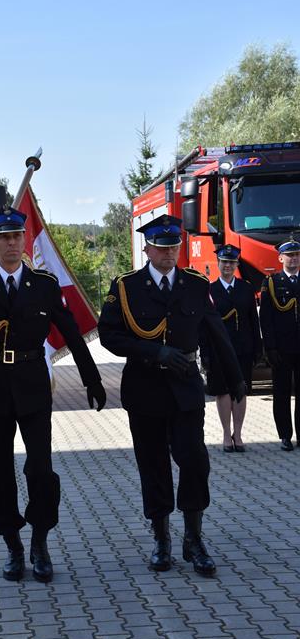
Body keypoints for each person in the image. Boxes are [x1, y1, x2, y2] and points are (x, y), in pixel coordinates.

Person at [0, 207, 106, 583]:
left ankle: (40, 541)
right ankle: (13, 545)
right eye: (4, 238)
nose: (12, 244)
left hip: (32, 382)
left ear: (24, 240)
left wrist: (91, 378)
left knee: (41, 469)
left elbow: (69, 330)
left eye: (16, 236)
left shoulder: (43, 284)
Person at [98, 215, 245, 577]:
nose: (168, 253)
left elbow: (216, 333)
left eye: (173, 246)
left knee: (194, 461)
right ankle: (161, 539)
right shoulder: (127, 286)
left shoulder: (195, 284)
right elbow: (109, 335)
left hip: (185, 388)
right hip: (145, 387)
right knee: (153, 466)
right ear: (147, 249)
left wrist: (235, 378)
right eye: (161, 247)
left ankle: (193, 539)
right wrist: (154, 351)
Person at [201, 245, 262, 452]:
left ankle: (239, 433)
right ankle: (227, 434)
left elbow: (253, 321)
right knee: (223, 391)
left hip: (243, 348)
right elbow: (204, 325)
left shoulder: (246, 288)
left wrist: (258, 348)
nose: (227, 266)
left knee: (241, 390)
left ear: (236, 264)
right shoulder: (209, 290)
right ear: (218, 263)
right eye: (224, 262)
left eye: (231, 262)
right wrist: (205, 352)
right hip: (218, 350)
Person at [259, 237, 300, 451]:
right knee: (282, 393)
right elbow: (266, 318)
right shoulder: (272, 283)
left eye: (297, 255)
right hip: (282, 348)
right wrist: (270, 347)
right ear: (280, 258)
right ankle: (285, 435)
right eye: (289, 255)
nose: (294, 259)